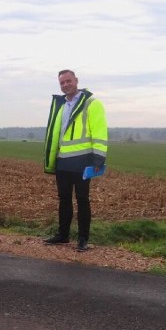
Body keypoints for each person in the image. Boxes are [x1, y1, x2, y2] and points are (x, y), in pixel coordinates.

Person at [42, 69, 108, 251]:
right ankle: (63, 235)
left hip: (82, 161)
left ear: (76, 81)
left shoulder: (91, 104)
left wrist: (99, 156)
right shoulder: (61, 105)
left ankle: (83, 239)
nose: (65, 85)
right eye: (62, 83)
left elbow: (100, 131)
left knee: (82, 200)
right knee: (63, 199)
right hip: (63, 161)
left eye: (68, 81)